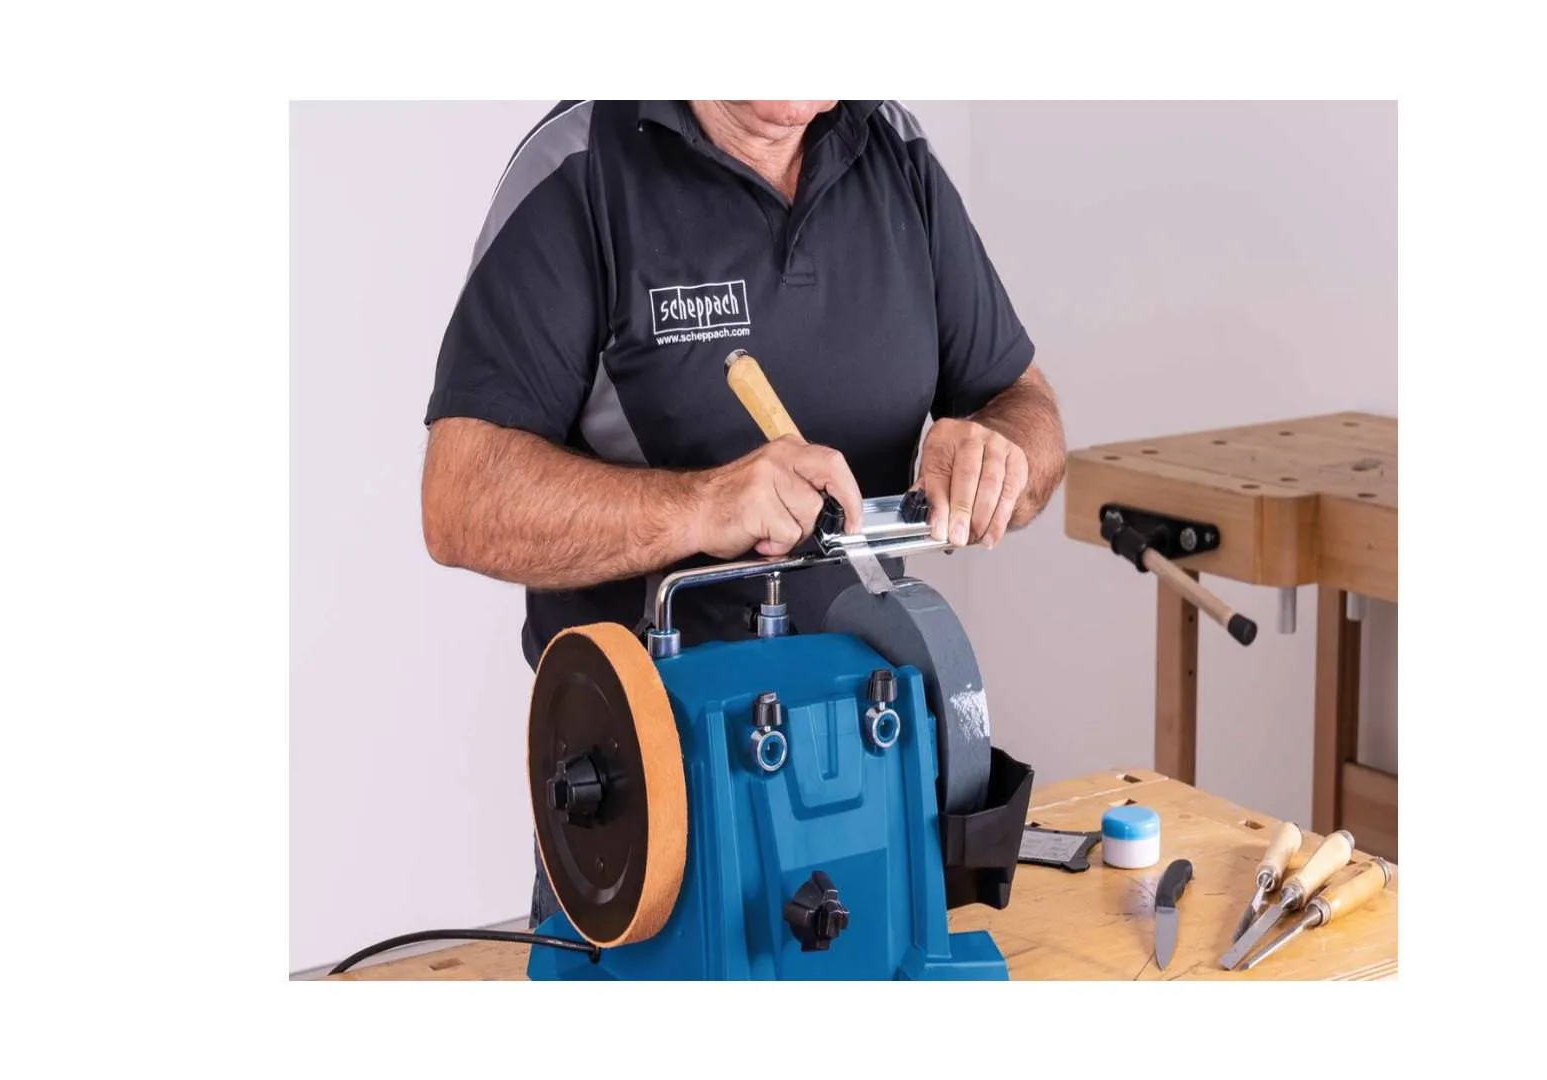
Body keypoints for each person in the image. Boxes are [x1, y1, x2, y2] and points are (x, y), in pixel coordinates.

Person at [419, 100, 1066, 925]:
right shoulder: (582, 165)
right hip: (652, 794)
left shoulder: (893, 150)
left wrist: (998, 451)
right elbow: (461, 497)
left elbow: (1026, 404)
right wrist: (702, 507)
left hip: (870, 767)